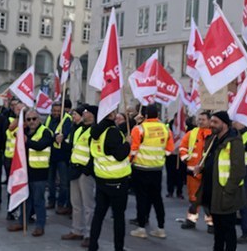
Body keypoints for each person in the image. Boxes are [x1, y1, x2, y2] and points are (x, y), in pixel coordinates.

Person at [199, 111, 245, 251]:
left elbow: (238, 171)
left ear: (224, 124)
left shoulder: (234, 142)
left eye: (215, 122)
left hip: (225, 194)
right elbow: (213, 163)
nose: (211, 125)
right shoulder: (214, 139)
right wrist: (202, 168)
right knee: (218, 231)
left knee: (228, 230)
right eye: (211, 121)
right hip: (214, 193)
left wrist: (228, 192)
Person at [88, 110, 132, 251]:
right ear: (111, 114)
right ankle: (118, 248)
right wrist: (127, 144)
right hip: (117, 180)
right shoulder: (112, 132)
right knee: (118, 218)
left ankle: (92, 245)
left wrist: (131, 120)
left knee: (98, 215)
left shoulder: (95, 131)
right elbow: (119, 155)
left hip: (102, 179)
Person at [129, 103, 174, 239]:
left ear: (145, 115)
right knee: (157, 199)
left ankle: (141, 228)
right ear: (158, 115)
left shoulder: (139, 129)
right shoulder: (165, 129)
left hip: (140, 168)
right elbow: (169, 150)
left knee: (141, 198)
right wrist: (159, 157)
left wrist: (128, 161)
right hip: (157, 169)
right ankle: (161, 228)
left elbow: (133, 149)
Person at [7, 109, 54, 236]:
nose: (31, 122)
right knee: (25, 198)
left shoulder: (45, 132)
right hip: (25, 171)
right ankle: (22, 222)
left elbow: (40, 146)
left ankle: (40, 225)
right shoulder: (25, 131)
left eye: (34, 119)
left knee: (38, 200)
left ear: (39, 119)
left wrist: (27, 141)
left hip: (39, 172)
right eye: (28, 119)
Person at [62, 105, 96, 247]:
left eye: (87, 112)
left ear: (93, 115)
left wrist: (87, 169)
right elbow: (72, 148)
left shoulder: (95, 130)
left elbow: (95, 153)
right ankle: (77, 230)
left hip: (85, 171)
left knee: (88, 205)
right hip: (74, 168)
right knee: (76, 203)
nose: (84, 113)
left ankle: (89, 234)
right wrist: (61, 142)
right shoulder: (77, 129)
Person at [180, 111, 214, 232]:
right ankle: (191, 220)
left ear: (209, 121)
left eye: (203, 119)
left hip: (207, 172)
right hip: (192, 172)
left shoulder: (214, 134)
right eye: (199, 119)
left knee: (207, 199)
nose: (200, 121)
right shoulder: (192, 133)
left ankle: (211, 223)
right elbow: (183, 147)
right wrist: (185, 158)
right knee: (193, 198)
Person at [45, 100, 73, 213]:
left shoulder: (67, 119)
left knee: (63, 182)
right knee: (50, 180)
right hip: (51, 154)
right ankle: (51, 200)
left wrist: (53, 137)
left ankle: (61, 203)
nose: (56, 113)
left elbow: (63, 134)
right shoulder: (49, 118)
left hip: (62, 155)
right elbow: (46, 131)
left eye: (58, 111)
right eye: (54, 111)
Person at [3, 97, 24, 219]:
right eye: (17, 109)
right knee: (12, 186)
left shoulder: (28, 121)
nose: (19, 110)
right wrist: (19, 117)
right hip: (10, 158)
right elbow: (10, 129)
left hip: (22, 158)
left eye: (21, 109)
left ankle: (24, 211)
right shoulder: (10, 119)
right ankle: (11, 210)